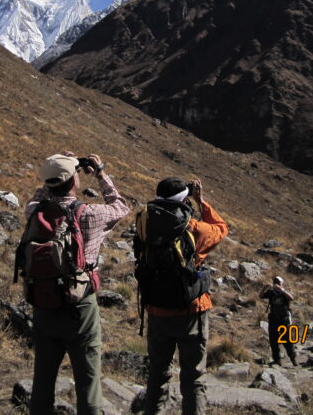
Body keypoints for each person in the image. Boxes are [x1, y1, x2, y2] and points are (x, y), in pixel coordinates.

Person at [25, 153, 130, 415]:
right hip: (80, 306)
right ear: (74, 179)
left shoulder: (34, 211)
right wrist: (100, 173)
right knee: (88, 379)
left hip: (43, 301)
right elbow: (121, 206)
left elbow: (38, 197)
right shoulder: (89, 214)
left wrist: (54, 175)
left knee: (43, 378)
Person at [141, 178, 228, 415]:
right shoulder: (195, 229)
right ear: (184, 199)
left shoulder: (145, 223)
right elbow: (221, 228)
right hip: (191, 312)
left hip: (157, 309)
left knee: (157, 375)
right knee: (193, 377)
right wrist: (200, 201)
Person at [259, 276, 298, 366]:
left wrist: (282, 290)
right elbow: (260, 296)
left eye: (278, 282)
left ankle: (293, 358)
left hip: (284, 319)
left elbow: (291, 298)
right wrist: (265, 288)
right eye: (275, 282)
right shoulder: (271, 293)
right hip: (273, 318)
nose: (276, 284)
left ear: (282, 283)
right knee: (273, 340)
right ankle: (277, 360)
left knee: (287, 339)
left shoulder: (284, 293)